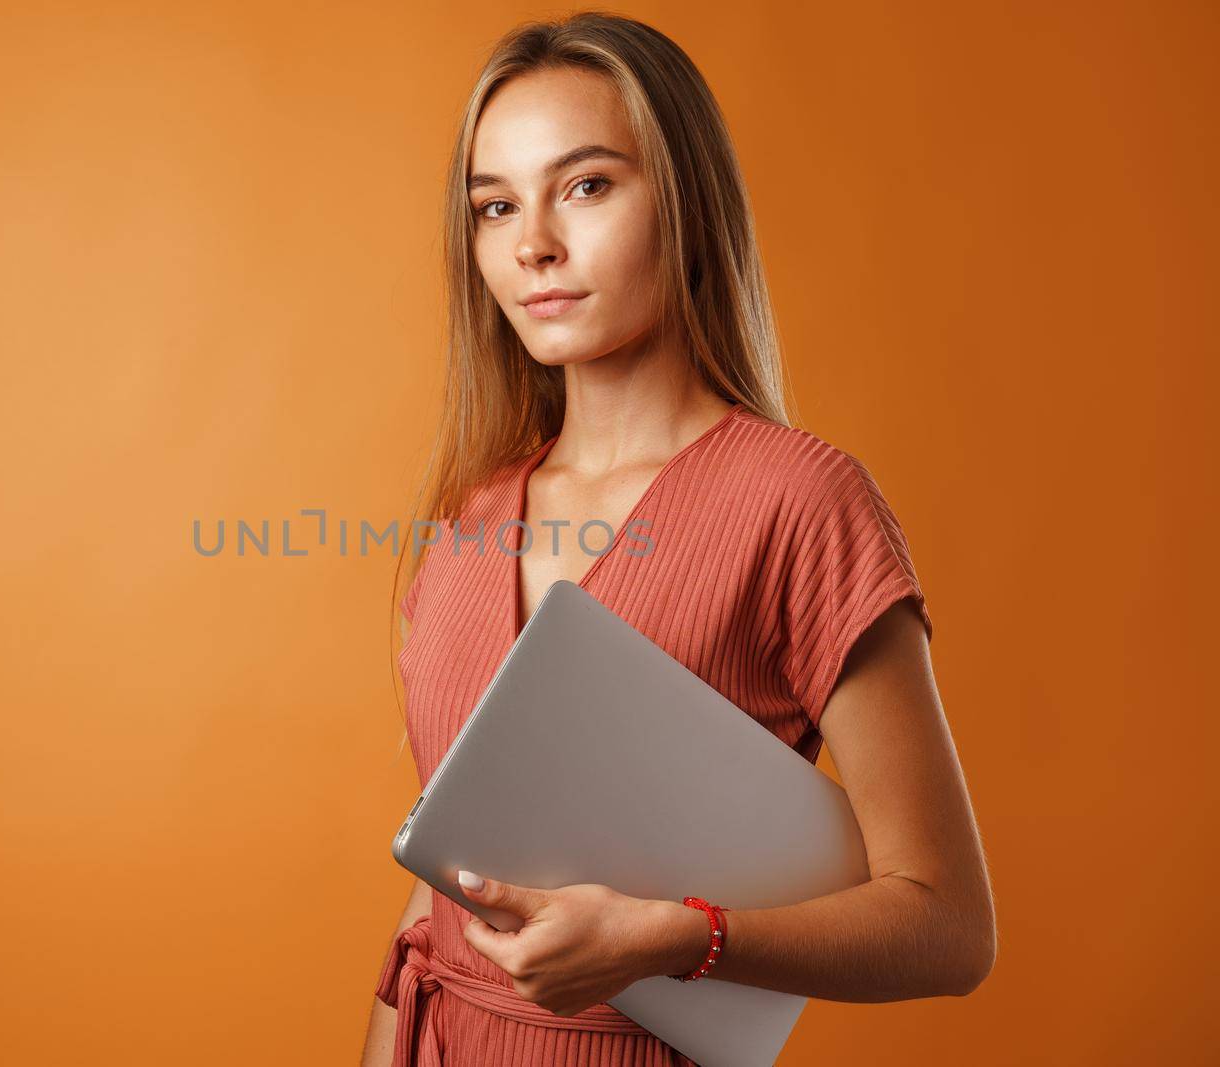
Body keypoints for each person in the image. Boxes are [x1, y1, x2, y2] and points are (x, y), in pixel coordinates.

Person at [359, 13, 996, 1067]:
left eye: (588, 185)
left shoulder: (801, 500)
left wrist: (681, 937)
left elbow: (947, 926)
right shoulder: (470, 513)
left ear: (686, 201)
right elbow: (429, 909)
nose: (532, 246)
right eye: (495, 206)